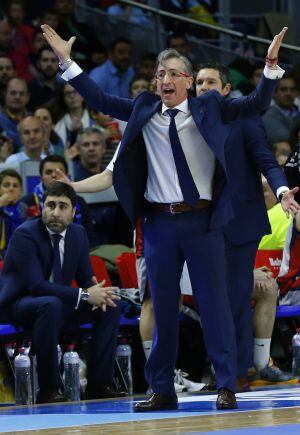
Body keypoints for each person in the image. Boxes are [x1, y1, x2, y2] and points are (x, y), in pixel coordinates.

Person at [42, 23, 289, 411]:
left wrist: (271, 67)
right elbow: (102, 99)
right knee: (161, 305)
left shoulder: (210, 106)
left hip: (203, 221)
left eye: (174, 73)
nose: (165, 79)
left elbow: (254, 104)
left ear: (189, 81)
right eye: (160, 74)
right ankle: (161, 389)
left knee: (215, 305)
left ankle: (226, 383)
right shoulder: (143, 108)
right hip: (158, 223)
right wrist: (67, 62)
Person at [195, 63, 298, 386]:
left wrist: (281, 191)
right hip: (201, 222)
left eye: (211, 82)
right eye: (198, 82)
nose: (203, 88)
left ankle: (236, 371)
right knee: (212, 297)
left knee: (235, 295)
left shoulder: (244, 118)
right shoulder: (189, 120)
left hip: (240, 221)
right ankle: (222, 366)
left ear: (226, 89)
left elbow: (266, 160)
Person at [0, 181, 124, 403]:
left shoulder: (78, 234)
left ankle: (100, 383)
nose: (55, 212)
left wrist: (98, 291)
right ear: (42, 208)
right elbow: (36, 286)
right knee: (50, 304)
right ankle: (49, 388)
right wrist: (85, 294)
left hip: (56, 305)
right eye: (50, 205)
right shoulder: (24, 235)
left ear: (74, 212)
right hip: (19, 305)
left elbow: (85, 276)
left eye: (62, 206)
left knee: (111, 305)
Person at [19, 155, 96, 248]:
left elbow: (89, 237)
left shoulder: (79, 201)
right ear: (41, 178)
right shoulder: (26, 202)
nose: (54, 175)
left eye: (59, 172)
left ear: (67, 176)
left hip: (75, 251)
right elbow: (21, 236)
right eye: (48, 172)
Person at [0, 168, 24, 258]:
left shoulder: (25, 208)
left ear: (20, 191)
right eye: (6, 185)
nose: (11, 189)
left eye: (15, 186)